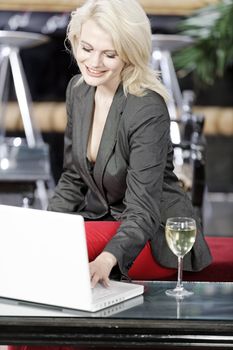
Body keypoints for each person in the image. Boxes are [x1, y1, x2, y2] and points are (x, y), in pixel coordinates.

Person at [48, 0, 212, 288]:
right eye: (86, 49)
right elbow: (74, 178)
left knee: (70, 248)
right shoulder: (78, 89)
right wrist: (43, 228)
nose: (94, 63)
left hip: (154, 233)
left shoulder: (146, 107)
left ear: (130, 54)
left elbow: (142, 210)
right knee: (35, 244)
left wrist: (107, 258)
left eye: (109, 54)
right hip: (104, 219)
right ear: (75, 42)